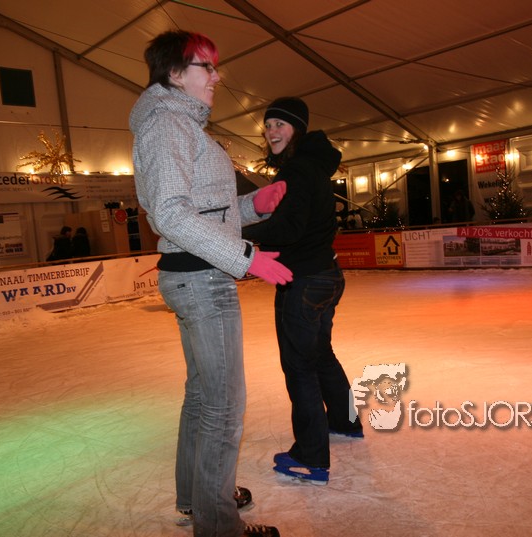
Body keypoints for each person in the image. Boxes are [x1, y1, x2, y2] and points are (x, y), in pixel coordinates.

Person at [129, 30, 290, 537]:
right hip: (202, 279)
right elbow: (171, 214)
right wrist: (246, 258)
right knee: (223, 406)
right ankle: (218, 525)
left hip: (195, 274)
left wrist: (251, 207)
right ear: (175, 73)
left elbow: (202, 209)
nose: (217, 76)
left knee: (203, 398)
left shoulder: (177, 122)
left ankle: (198, 499)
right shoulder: (168, 123)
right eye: (207, 66)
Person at [242, 97, 364, 486]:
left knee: (300, 366)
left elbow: (289, 228)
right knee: (320, 354)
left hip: (305, 281)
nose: (271, 131)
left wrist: (239, 233)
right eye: (268, 125)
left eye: (280, 124)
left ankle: (311, 457)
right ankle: (345, 420)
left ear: (298, 128)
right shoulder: (313, 167)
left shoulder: (296, 170)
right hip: (327, 274)